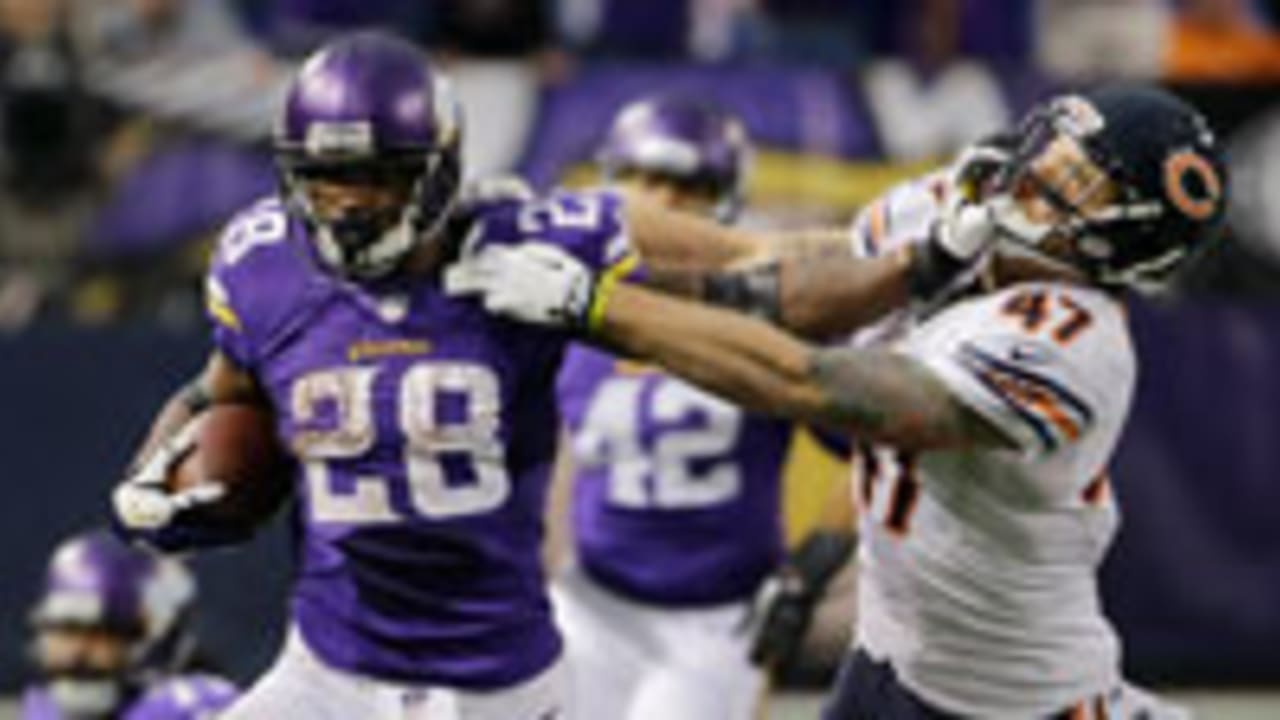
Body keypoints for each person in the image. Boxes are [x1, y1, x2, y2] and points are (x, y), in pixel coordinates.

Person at [108, 31, 990, 720]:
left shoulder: (539, 239)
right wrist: (160, 476)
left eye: (377, 178)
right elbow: (222, 391)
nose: (348, 205)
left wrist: (926, 253)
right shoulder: (261, 258)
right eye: (328, 180)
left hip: (493, 682)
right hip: (326, 667)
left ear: (440, 168)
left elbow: (771, 278)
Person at [443, 84, 1224, 718]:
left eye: (1082, 177)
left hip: (1016, 699)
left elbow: (809, 381)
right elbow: (784, 277)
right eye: (1057, 146)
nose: (1045, 170)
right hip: (889, 663)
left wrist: (594, 304)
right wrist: (556, 225)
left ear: (1121, 240)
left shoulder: (1072, 344)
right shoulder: (968, 204)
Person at [551, 95, 854, 720]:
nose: (659, 202)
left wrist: (808, 573)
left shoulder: (776, 313)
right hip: (593, 599)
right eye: (641, 179)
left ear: (725, 199)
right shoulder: (566, 299)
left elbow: (873, 447)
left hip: (719, 617)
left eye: (688, 185)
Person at [21, 529, 236, 720]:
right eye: (65, 633)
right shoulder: (43, 708)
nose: (76, 655)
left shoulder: (191, 703)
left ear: (159, 640)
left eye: (103, 634)